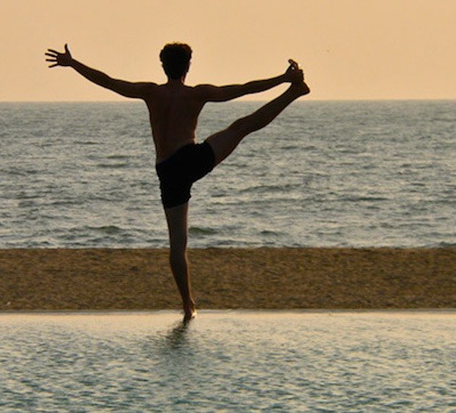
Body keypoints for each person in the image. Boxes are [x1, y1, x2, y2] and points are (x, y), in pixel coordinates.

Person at [45, 43, 310, 320]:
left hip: (168, 171)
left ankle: (188, 305)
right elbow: (243, 88)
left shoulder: (150, 92)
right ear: (189, 66)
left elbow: (109, 82)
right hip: (191, 159)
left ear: (162, 66)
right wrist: (283, 79)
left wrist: (73, 64)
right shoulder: (197, 94)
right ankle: (294, 92)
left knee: (177, 245)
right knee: (242, 127)